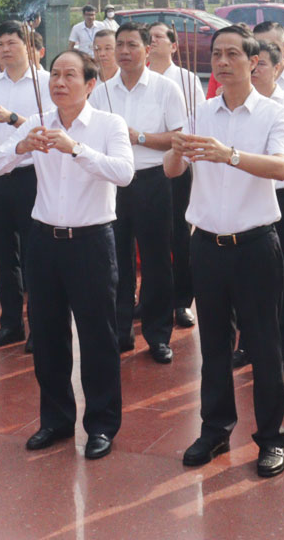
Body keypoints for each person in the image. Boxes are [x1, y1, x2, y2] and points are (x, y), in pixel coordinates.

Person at [0, 50, 133, 460]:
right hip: (43, 241)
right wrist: (21, 145)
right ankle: (55, 420)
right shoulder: (36, 124)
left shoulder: (108, 124)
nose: (59, 82)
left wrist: (75, 148)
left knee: (98, 336)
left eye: (70, 75)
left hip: (91, 242)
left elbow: (124, 172)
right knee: (47, 335)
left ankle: (102, 424)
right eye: (55, 74)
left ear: (90, 84)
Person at [169, 25, 284, 475]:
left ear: (254, 62)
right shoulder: (200, 111)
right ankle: (215, 430)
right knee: (214, 344)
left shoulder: (273, 113)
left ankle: (270, 439)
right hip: (205, 245)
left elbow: (283, 167)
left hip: (256, 245)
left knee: (264, 345)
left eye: (232, 55)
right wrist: (177, 147)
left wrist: (230, 155)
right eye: (216, 55)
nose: (221, 63)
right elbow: (172, 169)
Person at [97, 23, 186, 362]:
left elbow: (179, 138)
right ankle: (120, 331)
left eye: (132, 45)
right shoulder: (102, 92)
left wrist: (141, 137)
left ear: (148, 50)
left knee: (156, 259)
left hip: (153, 180)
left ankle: (158, 334)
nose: (123, 51)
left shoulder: (166, 89)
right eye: (119, 45)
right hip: (114, 183)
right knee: (114, 259)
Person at [0, 20, 53, 348]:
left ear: (29, 46)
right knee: (4, 255)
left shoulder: (47, 82)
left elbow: (49, 128)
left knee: (36, 254)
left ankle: (40, 325)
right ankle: (10, 323)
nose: (5, 49)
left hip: (35, 174)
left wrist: (10, 117)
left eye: (12, 43)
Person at [241, 31, 284, 375]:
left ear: (276, 68)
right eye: (251, 65)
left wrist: (254, 159)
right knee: (248, 271)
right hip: (246, 191)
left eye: (261, 65)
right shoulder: (236, 105)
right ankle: (249, 342)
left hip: (282, 192)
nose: (255, 72)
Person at [148, 20, 205, 329]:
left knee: (178, 233)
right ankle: (150, 300)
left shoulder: (185, 79)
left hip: (176, 166)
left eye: (159, 37)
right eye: (150, 38)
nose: (153, 42)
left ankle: (182, 301)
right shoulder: (135, 78)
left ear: (174, 45)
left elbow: (194, 123)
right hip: (141, 171)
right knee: (146, 238)